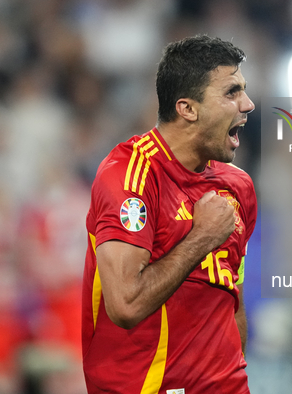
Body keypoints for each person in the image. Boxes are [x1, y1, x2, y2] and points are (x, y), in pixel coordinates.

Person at [81, 35, 257, 394]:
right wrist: (202, 238)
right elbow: (125, 305)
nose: (248, 104)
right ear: (187, 109)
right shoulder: (129, 176)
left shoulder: (237, 186)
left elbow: (230, 294)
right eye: (231, 92)